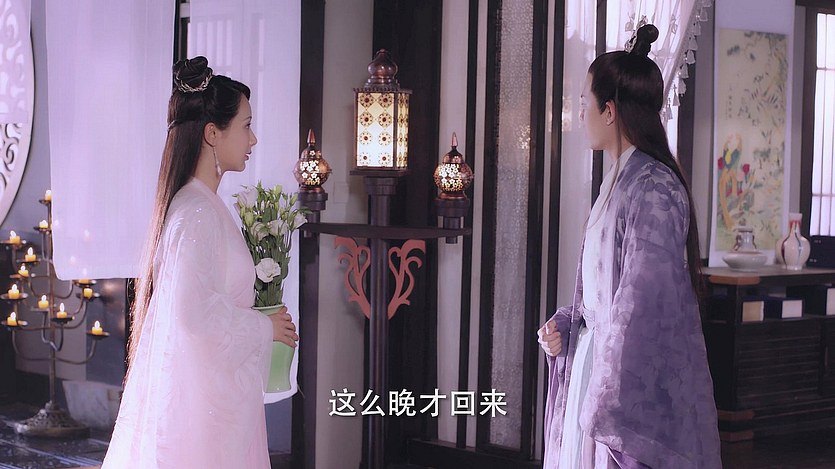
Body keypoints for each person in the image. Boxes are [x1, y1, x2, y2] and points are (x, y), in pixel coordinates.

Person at [537, 25, 721, 468]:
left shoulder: (654, 188)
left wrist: (607, 392)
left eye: (585, 102)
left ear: (609, 111)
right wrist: (570, 324)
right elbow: (605, 296)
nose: (581, 113)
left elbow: (644, 308)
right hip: (596, 369)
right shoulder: (618, 181)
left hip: (618, 387)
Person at [102, 56, 299, 469]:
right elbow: (192, 318)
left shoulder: (203, 206)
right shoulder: (196, 213)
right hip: (204, 416)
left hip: (213, 405)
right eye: (245, 126)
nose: (253, 139)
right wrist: (264, 327)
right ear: (212, 133)